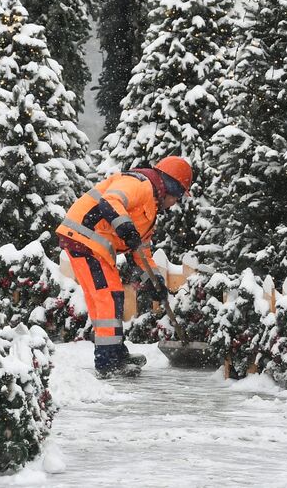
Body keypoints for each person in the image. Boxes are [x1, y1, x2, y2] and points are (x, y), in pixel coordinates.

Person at [56, 156, 193, 377]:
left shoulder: (151, 208)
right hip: (85, 237)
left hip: (94, 245)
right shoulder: (140, 183)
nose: (175, 202)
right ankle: (108, 362)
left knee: (109, 298)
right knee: (108, 297)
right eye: (178, 196)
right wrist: (126, 228)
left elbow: (142, 251)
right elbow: (110, 201)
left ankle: (115, 353)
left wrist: (155, 281)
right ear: (171, 185)